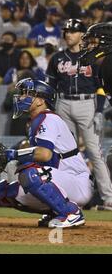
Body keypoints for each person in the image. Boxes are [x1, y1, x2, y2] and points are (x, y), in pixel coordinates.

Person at [0, 78, 93, 228]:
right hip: (62, 180)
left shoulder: (48, 118)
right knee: (6, 192)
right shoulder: (38, 121)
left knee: (30, 174)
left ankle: (70, 213)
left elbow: (45, 155)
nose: (20, 97)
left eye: (26, 94)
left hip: (77, 181)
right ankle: (55, 211)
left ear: (40, 101)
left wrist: (12, 154)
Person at [46, 18, 112, 211]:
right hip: (64, 102)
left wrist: (99, 110)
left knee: (94, 152)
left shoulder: (96, 57)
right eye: (66, 31)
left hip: (87, 103)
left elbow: (101, 86)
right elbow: (50, 86)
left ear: (81, 34)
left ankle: (108, 197)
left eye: (73, 31)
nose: (68, 34)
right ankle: (66, 196)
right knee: (65, 153)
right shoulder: (58, 58)